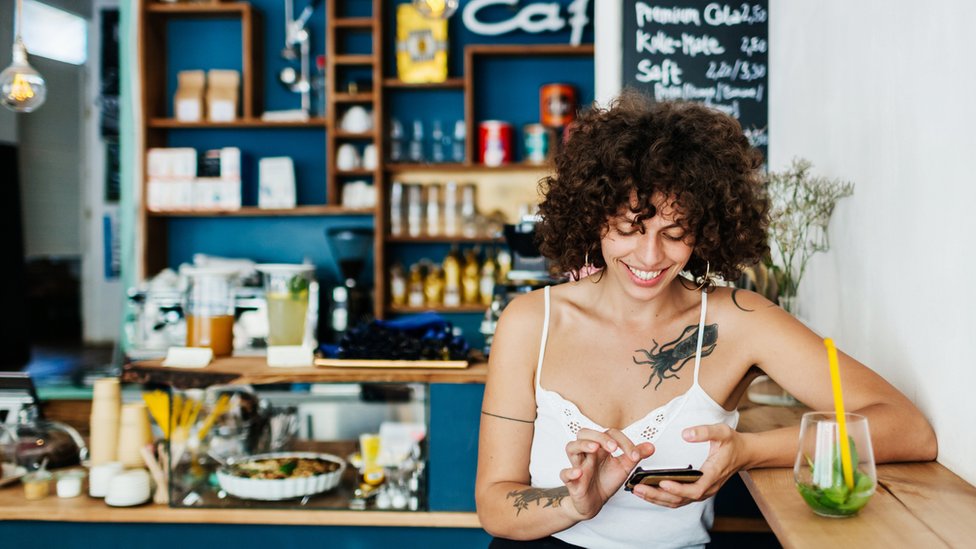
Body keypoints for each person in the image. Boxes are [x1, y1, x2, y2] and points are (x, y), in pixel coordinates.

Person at [475, 91, 937, 548]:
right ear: (594, 218)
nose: (650, 257)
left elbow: (907, 429)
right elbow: (496, 505)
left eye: (675, 234)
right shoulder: (530, 322)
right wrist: (575, 504)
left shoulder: (742, 321)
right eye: (628, 229)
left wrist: (749, 452)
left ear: (706, 230)